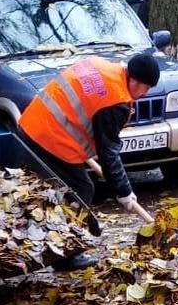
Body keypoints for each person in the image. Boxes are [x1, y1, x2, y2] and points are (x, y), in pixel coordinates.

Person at [17, 52, 160, 270]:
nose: (145, 93)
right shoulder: (116, 100)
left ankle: (81, 229)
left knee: (70, 189)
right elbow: (108, 152)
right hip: (49, 137)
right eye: (145, 87)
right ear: (134, 80)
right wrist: (124, 191)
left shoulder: (103, 66)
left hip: (32, 122)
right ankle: (66, 256)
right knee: (81, 189)